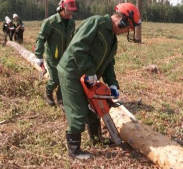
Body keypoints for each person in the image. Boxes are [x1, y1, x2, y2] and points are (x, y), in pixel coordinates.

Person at [57, 3, 141, 160]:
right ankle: (74, 150)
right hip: (71, 71)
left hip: (87, 76)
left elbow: (109, 64)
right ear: (122, 21)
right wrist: (89, 71)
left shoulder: (113, 39)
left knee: (94, 108)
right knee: (78, 110)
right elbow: (77, 48)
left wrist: (113, 84)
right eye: (127, 28)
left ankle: (96, 140)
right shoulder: (96, 23)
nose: (126, 32)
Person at [34, 0, 77, 107]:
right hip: (53, 57)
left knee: (65, 79)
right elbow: (41, 38)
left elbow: (73, 39)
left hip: (66, 57)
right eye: (68, 11)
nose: (70, 14)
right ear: (61, 8)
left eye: (72, 11)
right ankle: (48, 92)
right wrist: (38, 55)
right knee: (55, 79)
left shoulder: (72, 23)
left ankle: (60, 99)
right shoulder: (51, 22)